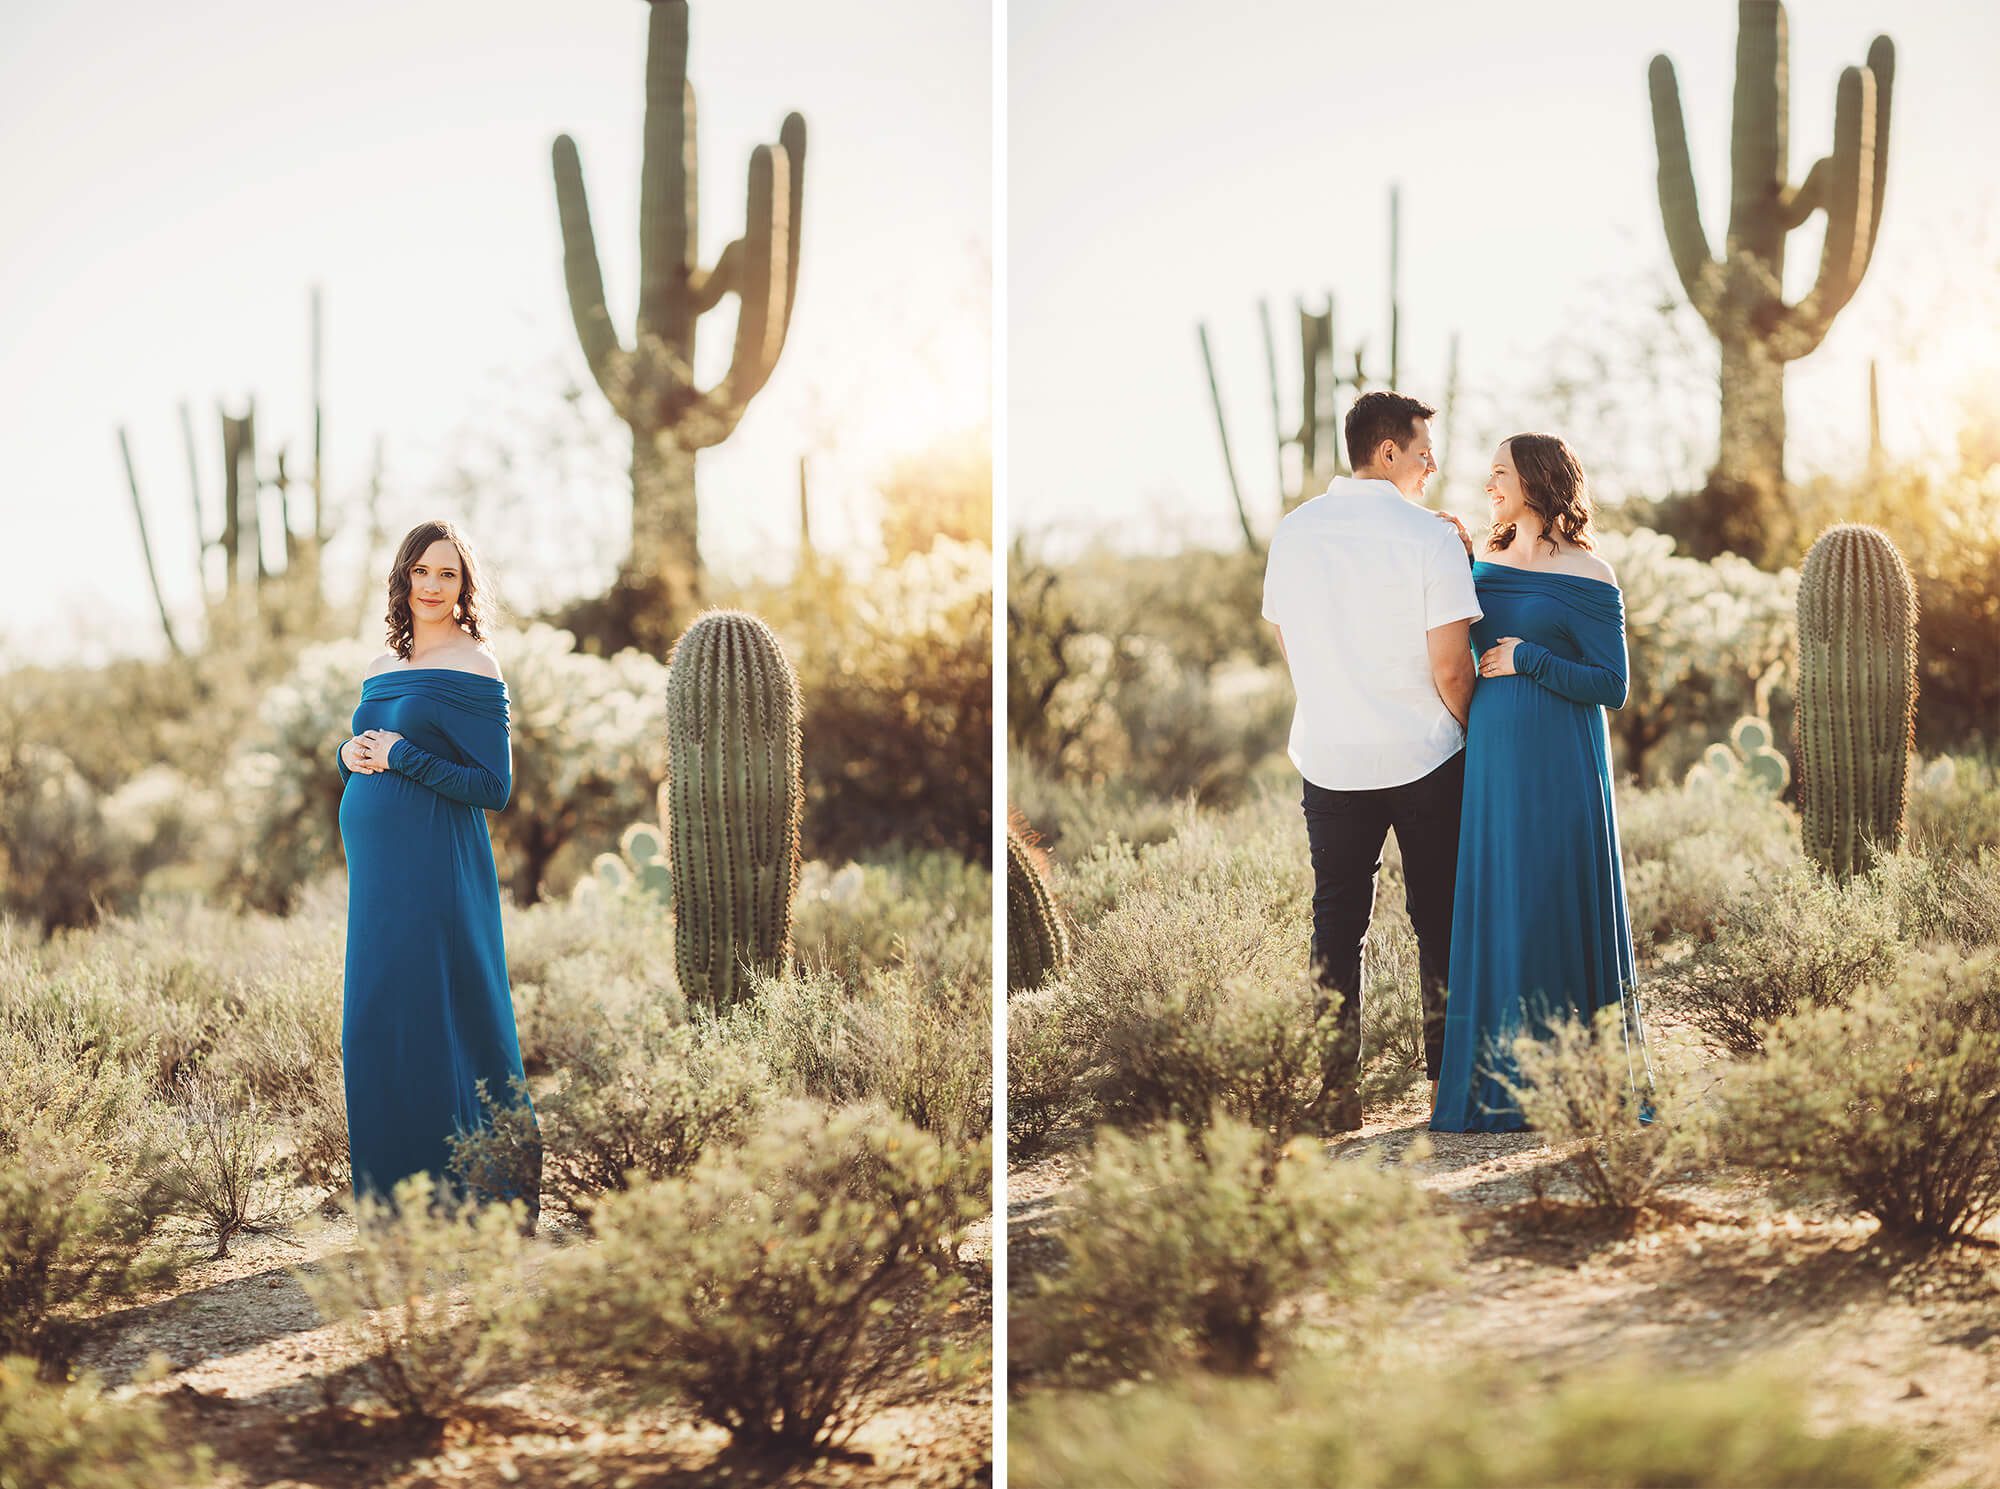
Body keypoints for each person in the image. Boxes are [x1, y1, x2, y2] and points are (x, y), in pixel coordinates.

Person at [1262, 391, 1481, 1132]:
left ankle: (1335, 1096)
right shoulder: (1430, 538)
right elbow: (1454, 669)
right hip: (1425, 755)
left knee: (1337, 923)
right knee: (1439, 918)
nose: (1432, 467)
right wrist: (1468, 733)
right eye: (1423, 453)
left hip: (1330, 759)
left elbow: (1289, 638)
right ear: (1386, 452)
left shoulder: (1294, 532)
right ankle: (1446, 1084)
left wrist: (1335, 701)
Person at [1429, 434, 1653, 1132]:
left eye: (1500, 471)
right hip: (1494, 754)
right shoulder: (1482, 562)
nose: (1489, 481)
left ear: (1535, 479)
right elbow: (1453, 641)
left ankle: (1577, 1079)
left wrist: (1530, 659)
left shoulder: (1593, 572)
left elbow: (1612, 685)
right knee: (1504, 899)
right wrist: (1451, 557)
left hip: (1563, 758)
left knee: (1555, 895)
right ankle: (1501, 1082)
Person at [336, 519, 542, 1215]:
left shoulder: (476, 665)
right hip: (376, 874)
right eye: (421, 570)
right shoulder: (380, 667)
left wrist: (401, 758)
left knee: (439, 1014)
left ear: (463, 585)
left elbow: (493, 786)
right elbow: (370, 738)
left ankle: (474, 1189)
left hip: (434, 868)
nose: (431, 584)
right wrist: (351, 755)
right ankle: (391, 1196)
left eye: (446, 573)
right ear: (402, 577)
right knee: (374, 1019)